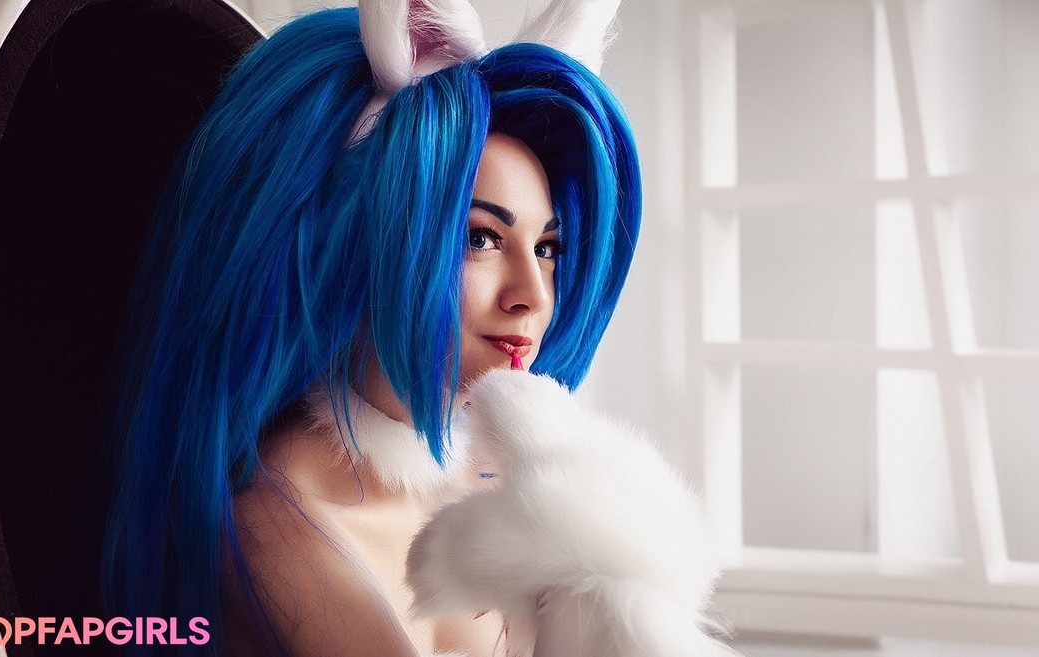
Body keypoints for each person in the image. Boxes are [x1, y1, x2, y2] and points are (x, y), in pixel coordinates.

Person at [103, 2, 726, 655]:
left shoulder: (510, 485)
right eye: (481, 238)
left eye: (547, 248)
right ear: (356, 240)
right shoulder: (276, 522)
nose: (534, 295)